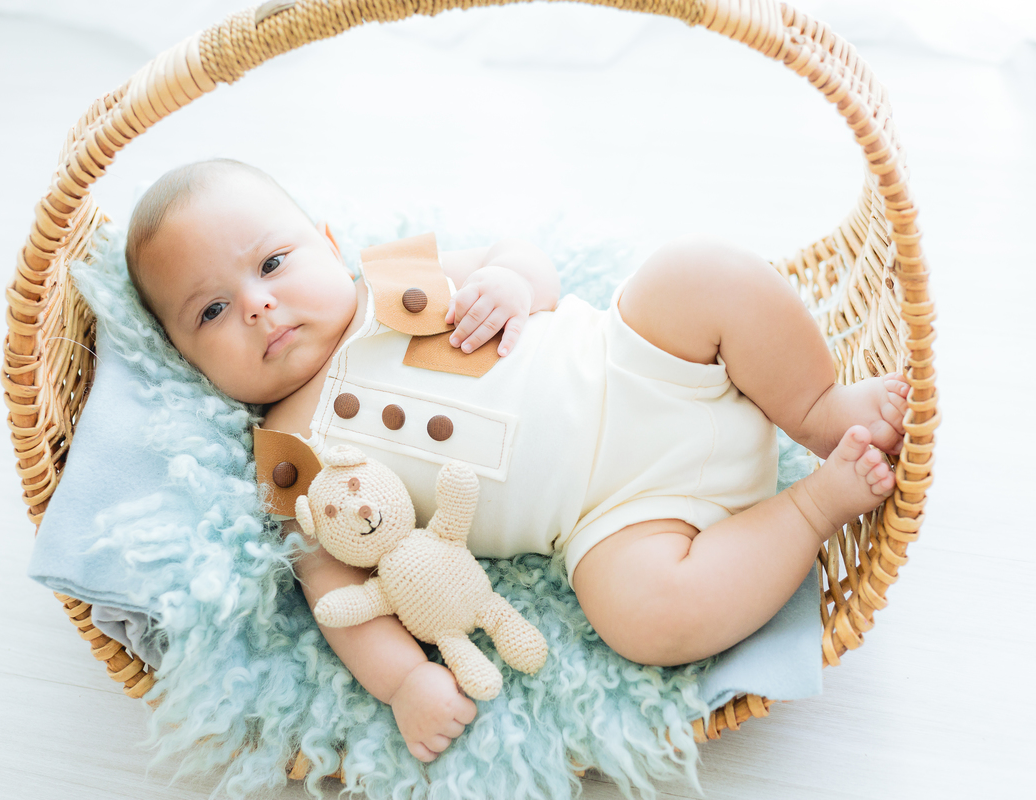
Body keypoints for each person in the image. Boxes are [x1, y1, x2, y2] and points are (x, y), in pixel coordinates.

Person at [125, 158, 909, 763]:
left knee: (695, 274)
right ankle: (812, 507)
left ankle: (817, 409)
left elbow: (523, 259)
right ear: (186, 358)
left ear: (330, 246)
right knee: (641, 618)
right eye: (212, 310)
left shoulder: (391, 283)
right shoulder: (288, 459)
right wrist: (404, 681)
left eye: (271, 264)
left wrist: (509, 280)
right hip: (615, 517)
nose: (257, 304)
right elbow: (334, 588)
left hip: (641, 363)